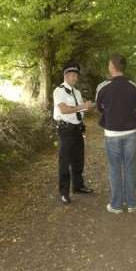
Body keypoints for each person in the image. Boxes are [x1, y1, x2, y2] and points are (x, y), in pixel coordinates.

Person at [96, 54, 136, 214]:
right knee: (129, 168)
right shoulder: (133, 86)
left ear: (112, 66)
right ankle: (131, 203)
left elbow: (99, 107)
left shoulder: (103, 87)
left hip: (112, 134)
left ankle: (115, 205)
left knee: (114, 169)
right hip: (131, 133)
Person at [53, 62, 94, 204]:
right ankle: (64, 192)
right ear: (65, 75)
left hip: (77, 129)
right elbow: (64, 110)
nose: (74, 77)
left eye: (76, 75)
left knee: (78, 159)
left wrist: (87, 107)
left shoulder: (77, 92)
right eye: (71, 74)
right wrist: (82, 106)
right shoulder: (59, 91)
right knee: (65, 162)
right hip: (65, 130)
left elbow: (80, 109)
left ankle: (78, 186)